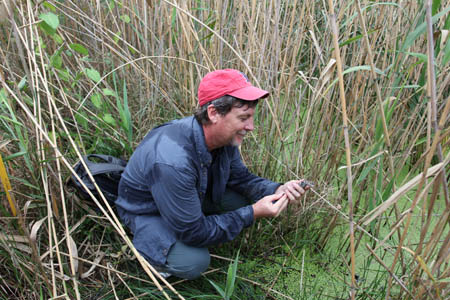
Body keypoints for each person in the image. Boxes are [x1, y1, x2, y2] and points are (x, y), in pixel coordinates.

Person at [115, 69, 309, 280]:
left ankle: (195, 220)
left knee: (240, 198)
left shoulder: (224, 138)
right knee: (193, 261)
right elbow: (193, 232)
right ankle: (152, 257)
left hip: (183, 196)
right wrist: (252, 213)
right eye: (244, 118)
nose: (251, 127)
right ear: (214, 113)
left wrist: (277, 189)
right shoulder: (173, 161)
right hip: (147, 211)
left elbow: (240, 178)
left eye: (252, 117)